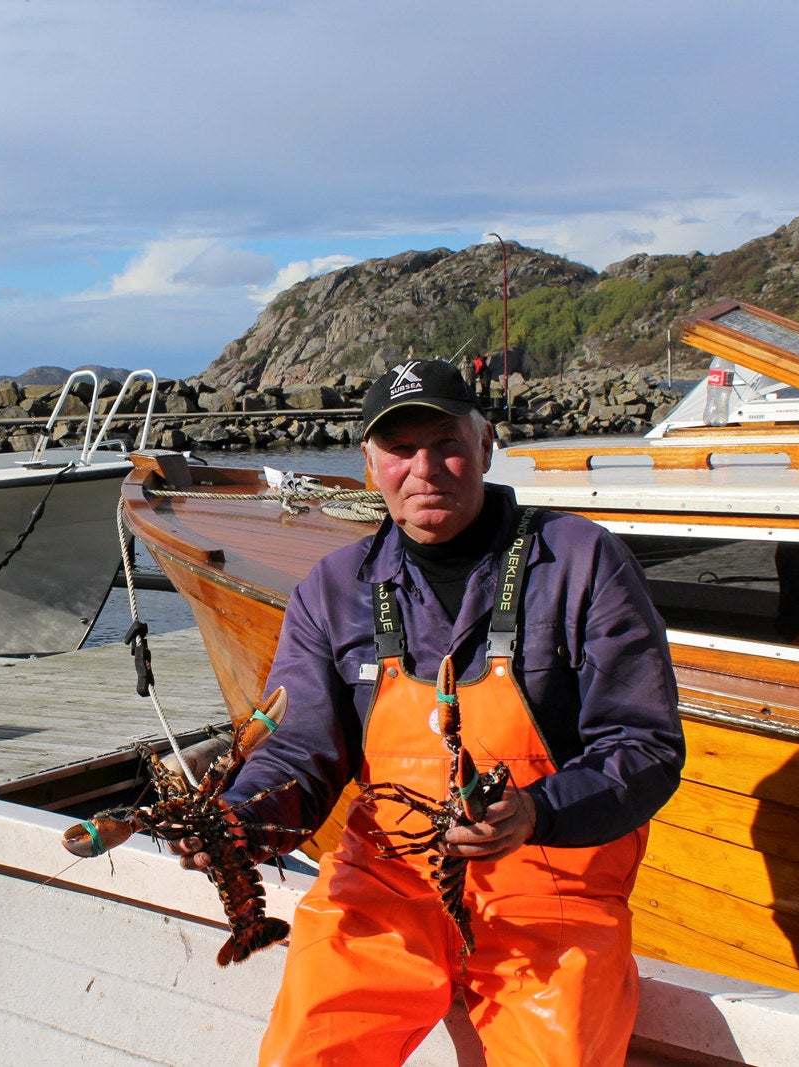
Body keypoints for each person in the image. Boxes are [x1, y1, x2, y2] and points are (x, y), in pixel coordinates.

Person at [176, 358, 684, 1066]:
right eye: (400, 449)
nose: (424, 468)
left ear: (485, 444)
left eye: (446, 442)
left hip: (550, 893)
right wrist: (242, 821)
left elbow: (643, 744)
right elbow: (297, 750)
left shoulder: (581, 559)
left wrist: (536, 811)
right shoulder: (333, 588)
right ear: (369, 463)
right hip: (387, 887)